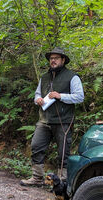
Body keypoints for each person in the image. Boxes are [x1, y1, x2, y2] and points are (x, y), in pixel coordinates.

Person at [20, 47, 84, 186]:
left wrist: (60, 96)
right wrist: (37, 99)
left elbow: (80, 97)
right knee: (36, 146)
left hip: (63, 121)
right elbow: (37, 94)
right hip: (44, 119)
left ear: (63, 60)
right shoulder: (44, 77)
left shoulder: (72, 77)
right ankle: (37, 178)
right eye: (51, 58)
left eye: (56, 58)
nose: (53, 60)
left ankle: (61, 182)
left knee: (63, 153)